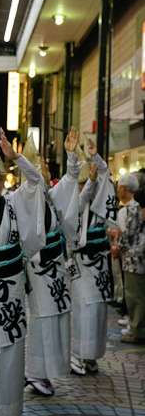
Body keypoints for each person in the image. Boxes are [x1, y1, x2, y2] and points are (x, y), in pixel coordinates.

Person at [0, 113, 45, 416]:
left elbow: (37, 183)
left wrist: (16, 158)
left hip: (10, 294)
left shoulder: (15, 203)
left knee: (9, 354)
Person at [24, 130, 80, 393]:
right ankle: (35, 371)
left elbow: (71, 181)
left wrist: (71, 155)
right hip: (38, 269)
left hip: (55, 267)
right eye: (39, 167)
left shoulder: (50, 196)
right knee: (42, 317)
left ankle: (43, 371)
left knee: (56, 315)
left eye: (44, 166)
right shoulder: (24, 201)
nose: (45, 170)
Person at [69, 138, 116, 373]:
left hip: (99, 266)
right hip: (80, 264)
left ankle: (92, 356)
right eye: (80, 184)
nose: (84, 188)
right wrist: (88, 184)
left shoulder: (98, 205)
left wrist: (96, 158)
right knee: (82, 310)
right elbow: (79, 203)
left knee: (98, 310)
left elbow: (106, 178)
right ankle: (77, 355)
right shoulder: (72, 204)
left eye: (87, 183)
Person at [117, 185, 145, 343]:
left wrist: (119, 247)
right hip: (137, 259)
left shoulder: (134, 207)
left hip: (134, 259)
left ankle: (138, 331)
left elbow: (129, 234)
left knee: (135, 296)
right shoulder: (136, 206)